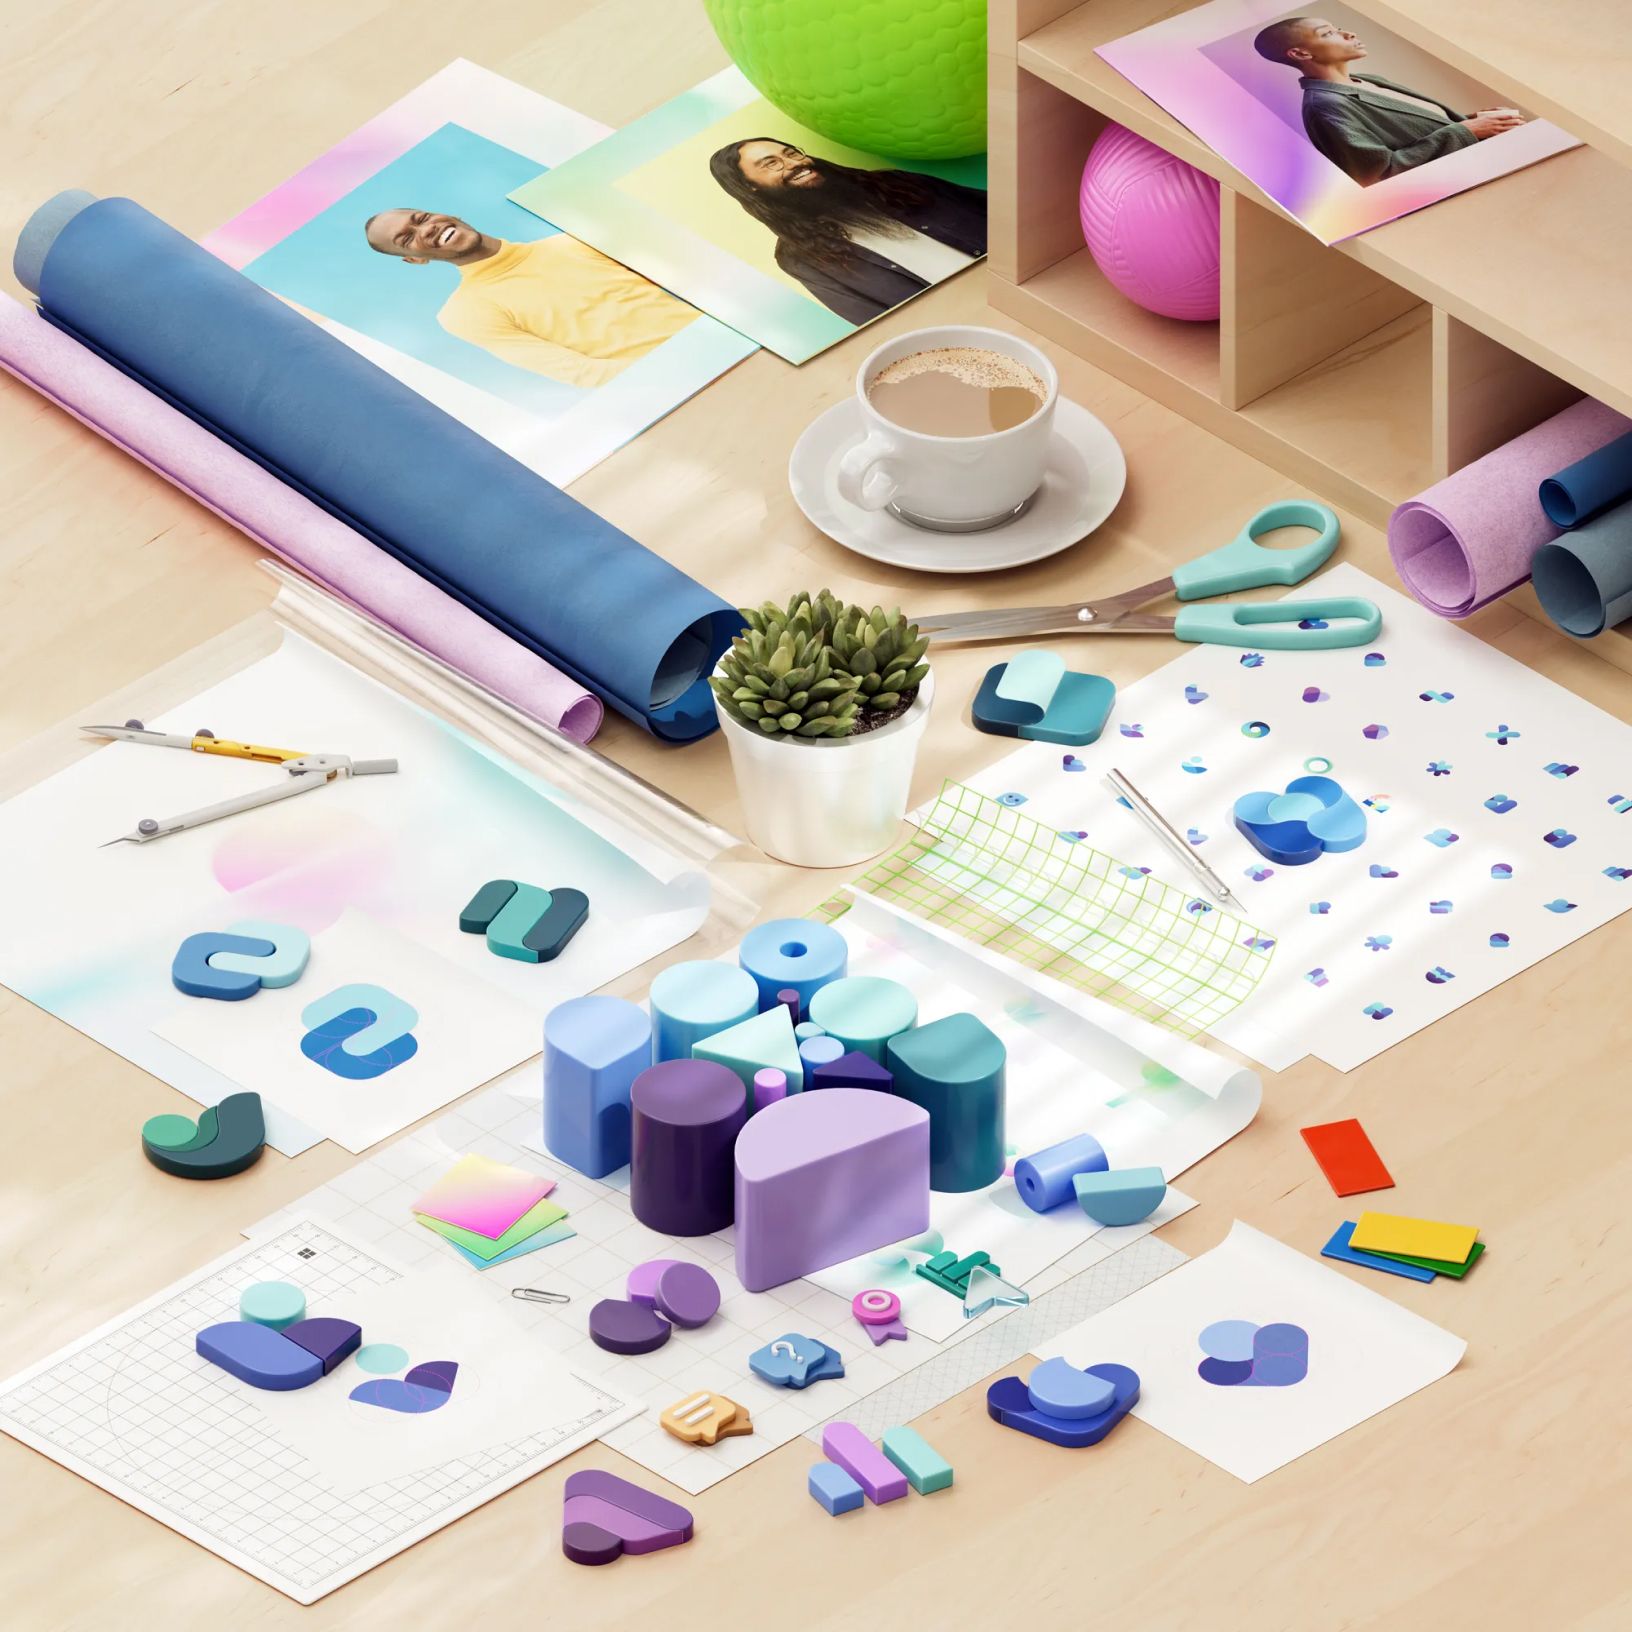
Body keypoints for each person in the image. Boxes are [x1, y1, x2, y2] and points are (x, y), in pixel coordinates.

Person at [363, 208, 696, 387]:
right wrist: (671, 378)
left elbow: (696, 285)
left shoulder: (576, 240)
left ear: (447, 213)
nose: (426, 230)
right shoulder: (465, 313)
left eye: (420, 219)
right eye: (407, 239)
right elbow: (580, 372)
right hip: (674, 383)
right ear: (415, 260)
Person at [707, 139, 985, 325]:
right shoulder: (799, 260)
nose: (793, 163)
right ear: (749, 186)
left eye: (790, 153)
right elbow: (876, 322)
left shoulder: (893, 182)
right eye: (771, 164)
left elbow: (1001, 207)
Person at [1251, 18, 1527, 185]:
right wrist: (1467, 131)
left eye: (1338, 28)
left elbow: (1413, 133)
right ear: (1300, 53)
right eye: (1328, 33)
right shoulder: (1325, 106)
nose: (1349, 34)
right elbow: (1380, 175)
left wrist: (1474, 120)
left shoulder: (1370, 79)